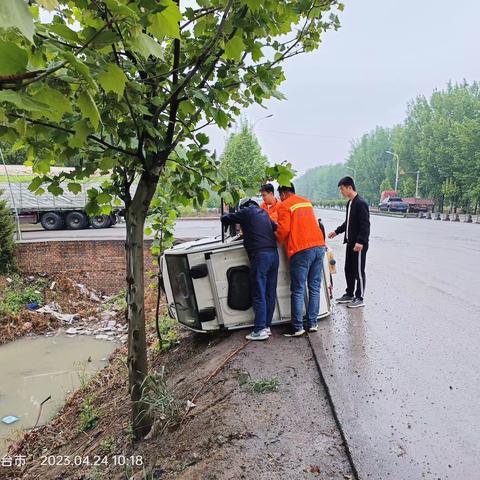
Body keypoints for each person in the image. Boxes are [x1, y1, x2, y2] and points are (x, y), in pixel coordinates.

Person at [221, 198, 279, 341]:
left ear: (244, 207)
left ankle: (259, 329)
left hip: (260, 256)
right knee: (269, 292)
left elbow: (226, 219)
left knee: (258, 291)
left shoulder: (246, 211)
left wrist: (226, 212)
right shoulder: (264, 213)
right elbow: (275, 227)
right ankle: (266, 326)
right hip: (273, 255)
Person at [276, 184, 326, 336]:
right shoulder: (306, 202)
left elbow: (283, 230)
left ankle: (297, 327)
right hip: (319, 246)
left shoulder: (285, 205)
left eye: (280, 196)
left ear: (283, 194)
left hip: (302, 249)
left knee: (298, 289)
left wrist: (274, 238)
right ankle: (313, 323)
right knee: (314, 287)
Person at [328, 176, 370, 308]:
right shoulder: (350, 203)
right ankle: (349, 294)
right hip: (350, 242)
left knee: (358, 270)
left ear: (349, 188)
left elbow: (365, 225)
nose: (341, 192)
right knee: (349, 269)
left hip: (359, 244)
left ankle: (360, 297)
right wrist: (337, 231)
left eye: (342, 189)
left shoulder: (361, 203)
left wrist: (361, 241)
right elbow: (348, 222)